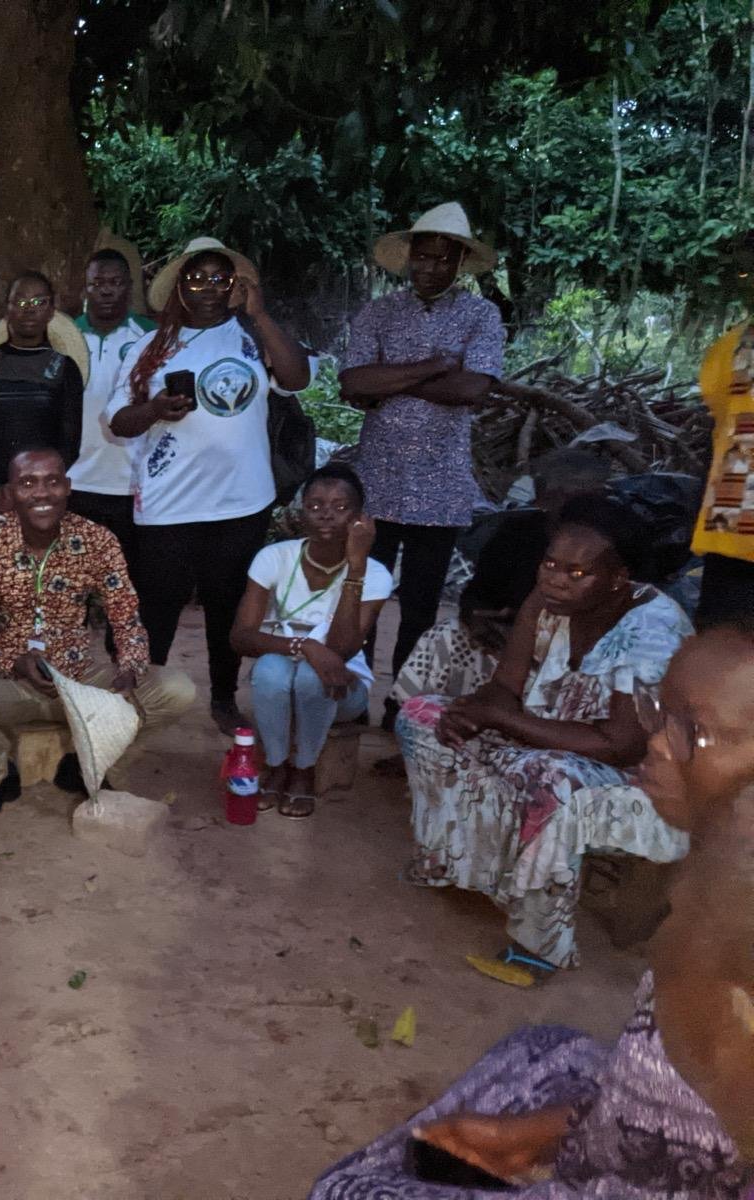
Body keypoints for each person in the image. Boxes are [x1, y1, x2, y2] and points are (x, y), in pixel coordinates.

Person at [311, 622, 754, 1199]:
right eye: (661, 712)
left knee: (345, 1192)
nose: (658, 743)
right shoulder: (722, 882)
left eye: (693, 731)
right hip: (651, 1145)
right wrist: (537, 1134)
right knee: (542, 1049)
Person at [397, 495, 693, 972]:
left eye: (577, 573)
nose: (555, 579)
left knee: (548, 778)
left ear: (618, 578)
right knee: (423, 718)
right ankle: (461, 865)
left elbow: (621, 744)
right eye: (551, 564)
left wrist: (501, 720)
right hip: (544, 740)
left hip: (640, 783)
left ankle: (538, 944)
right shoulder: (547, 602)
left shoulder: (652, 630)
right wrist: (472, 712)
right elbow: (506, 687)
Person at [106, 236, 311, 730]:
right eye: (197, 278)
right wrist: (155, 409)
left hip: (243, 502)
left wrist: (260, 316)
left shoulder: (252, 338)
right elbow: (119, 420)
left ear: (236, 286)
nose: (209, 288)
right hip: (169, 505)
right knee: (157, 608)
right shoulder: (151, 347)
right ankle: (142, 700)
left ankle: (223, 699)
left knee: (228, 607)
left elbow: (296, 379)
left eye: (220, 278)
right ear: (180, 286)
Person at [0, 446, 197, 821]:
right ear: (10, 492)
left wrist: (129, 670)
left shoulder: (96, 541)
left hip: (79, 683)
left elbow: (126, 618)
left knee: (176, 689)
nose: (42, 493)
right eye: (28, 483)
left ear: (68, 487)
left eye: (52, 481)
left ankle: (97, 764)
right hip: (8, 683)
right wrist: (13, 663)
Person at [340, 202, 507, 729]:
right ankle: (353, 699)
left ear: (460, 261)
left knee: (420, 604)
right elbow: (353, 382)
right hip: (377, 479)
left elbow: (473, 388)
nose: (430, 267)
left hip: (442, 485)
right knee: (364, 592)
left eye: (443, 258)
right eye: (423, 256)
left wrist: (389, 379)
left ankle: (402, 707)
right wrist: (435, 366)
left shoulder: (481, 315)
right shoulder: (378, 313)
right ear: (409, 255)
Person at [390, 449, 611, 711]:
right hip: (507, 641)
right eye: (553, 492)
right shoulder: (517, 532)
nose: (558, 501)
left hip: (576, 650)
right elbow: (476, 593)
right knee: (448, 635)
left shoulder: (610, 542)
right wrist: (478, 619)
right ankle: (411, 716)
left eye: (571, 495)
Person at [230, 464, 391, 818]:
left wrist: (356, 568)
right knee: (270, 669)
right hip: (279, 680)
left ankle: (304, 769)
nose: (326, 515)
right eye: (315, 506)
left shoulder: (376, 574)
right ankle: (276, 766)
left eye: (341, 507)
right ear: (300, 513)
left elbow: (342, 651)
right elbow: (241, 637)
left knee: (311, 676)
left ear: (360, 518)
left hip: (342, 688)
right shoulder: (275, 557)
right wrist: (304, 646)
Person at [0, 271, 85, 527]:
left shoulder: (65, 369)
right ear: (7, 309)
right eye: (20, 301)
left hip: (41, 498)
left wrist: (31, 487)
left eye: (39, 302)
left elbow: (70, 443)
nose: (29, 309)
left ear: (51, 311)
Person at [689, 230, 754, 629]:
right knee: (722, 639)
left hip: (732, 520)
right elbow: (722, 422)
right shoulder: (728, 348)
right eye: (742, 273)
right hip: (732, 524)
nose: (747, 282)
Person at [69, 248, 153, 553]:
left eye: (115, 282)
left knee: (129, 576)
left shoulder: (151, 336)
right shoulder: (64, 336)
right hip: (73, 480)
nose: (106, 290)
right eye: (97, 283)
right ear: (85, 288)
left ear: (129, 287)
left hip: (134, 482)